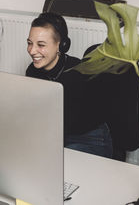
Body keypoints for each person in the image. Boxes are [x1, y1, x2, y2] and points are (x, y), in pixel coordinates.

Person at [25, 12, 113, 158]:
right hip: (58, 133)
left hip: (90, 138)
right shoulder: (32, 71)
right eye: (29, 43)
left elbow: (57, 126)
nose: (32, 51)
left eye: (41, 45)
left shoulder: (77, 74)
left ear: (61, 45)